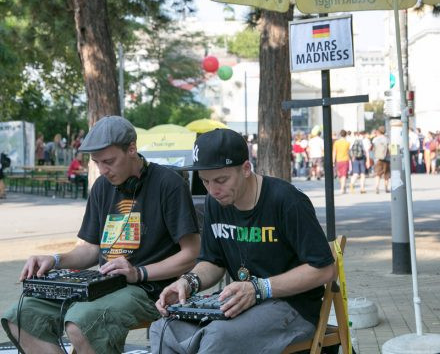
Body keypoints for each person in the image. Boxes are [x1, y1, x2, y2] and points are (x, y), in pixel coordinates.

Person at [2, 116, 201, 354]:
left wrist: (138, 273)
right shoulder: (101, 187)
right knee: (20, 316)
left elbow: (191, 254)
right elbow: (91, 249)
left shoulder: (169, 184)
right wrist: (54, 260)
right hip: (104, 286)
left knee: (81, 323)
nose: (103, 170)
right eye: (97, 162)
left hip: (151, 290)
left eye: (109, 161)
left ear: (132, 149)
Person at [150, 128, 335, 354]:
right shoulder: (215, 202)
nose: (213, 190)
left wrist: (259, 289)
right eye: (205, 182)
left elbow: (324, 270)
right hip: (242, 301)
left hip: (293, 306)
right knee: (163, 328)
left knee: (218, 337)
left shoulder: (286, 200)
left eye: (221, 180)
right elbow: (212, 262)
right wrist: (188, 282)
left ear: (246, 168)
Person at [372, 125, 390, 194]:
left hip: (378, 158)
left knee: (378, 174)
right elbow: (389, 148)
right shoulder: (387, 139)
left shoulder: (375, 139)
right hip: (387, 158)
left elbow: (373, 149)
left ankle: (377, 187)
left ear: (378, 131)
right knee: (386, 174)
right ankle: (386, 188)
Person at [332, 130, 350, 194]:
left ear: (340, 134)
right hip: (345, 159)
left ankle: (342, 187)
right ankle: (343, 187)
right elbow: (348, 152)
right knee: (344, 174)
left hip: (338, 160)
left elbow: (334, 152)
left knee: (340, 174)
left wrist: (333, 161)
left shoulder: (336, 143)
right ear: (346, 135)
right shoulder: (347, 142)